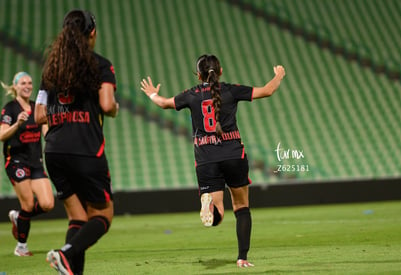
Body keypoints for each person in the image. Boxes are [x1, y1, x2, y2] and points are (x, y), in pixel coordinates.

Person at [140, 54, 286, 268]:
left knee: (218, 215)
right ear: (221, 71)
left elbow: (163, 103)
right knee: (241, 207)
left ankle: (210, 206)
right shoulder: (231, 90)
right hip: (234, 154)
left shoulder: (191, 94)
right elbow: (268, 90)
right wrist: (279, 75)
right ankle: (242, 257)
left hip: (206, 159)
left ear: (198, 75)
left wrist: (152, 94)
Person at [34, 9, 119, 275]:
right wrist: (114, 107)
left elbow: (38, 114)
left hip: (54, 150)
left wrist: (55, 132)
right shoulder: (100, 65)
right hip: (85, 150)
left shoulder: (52, 67)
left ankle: (69, 267)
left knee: (77, 218)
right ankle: (64, 253)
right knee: (102, 216)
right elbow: (106, 104)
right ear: (92, 32)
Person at [0, 72, 54, 256]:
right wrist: (17, 124)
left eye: (30, 82)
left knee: (47, 204)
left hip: (35, 162)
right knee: (29, 204)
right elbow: (1, 135)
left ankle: (19, 217)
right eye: (23, 83)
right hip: (16, 161)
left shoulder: (36, 107)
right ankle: (21, 247)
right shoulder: (10, 109)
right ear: (14, 86)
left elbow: (46, 132)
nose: (27, 85)